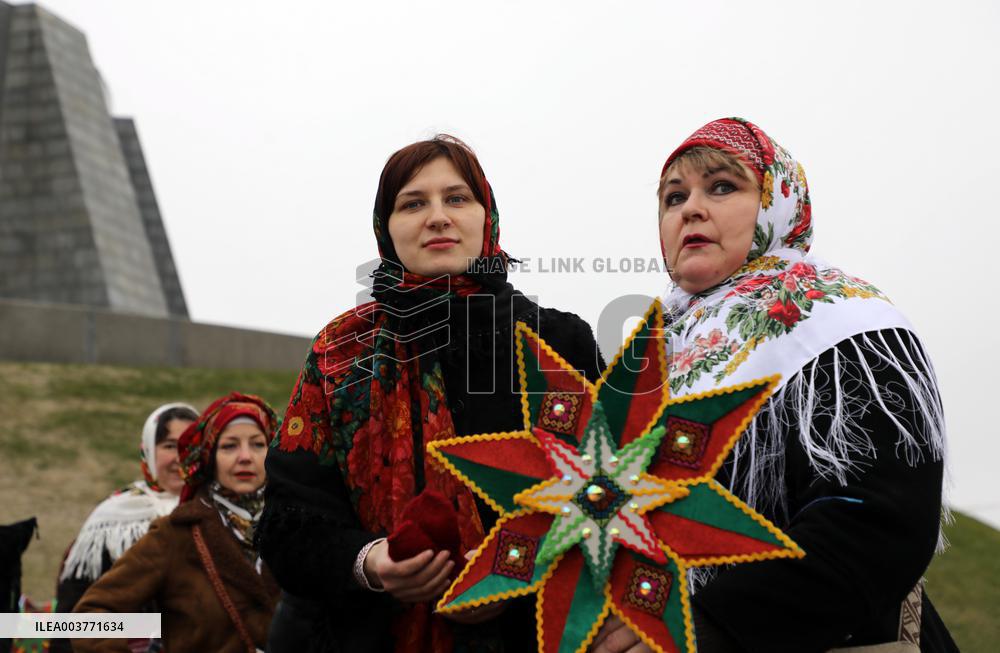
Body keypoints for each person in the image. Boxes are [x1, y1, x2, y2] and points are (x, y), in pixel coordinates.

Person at [590, 118, 957, 653]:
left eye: (722, 187)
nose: (690, 208)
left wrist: (710, 627)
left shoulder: (840, 321)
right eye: (674, 197)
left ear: (777, 202)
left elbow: (878, 524)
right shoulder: (648, 355)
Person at [258, 135, 605, 652]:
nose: (437, 216)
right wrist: (370, 562)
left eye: (457, 198)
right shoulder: (341, 354)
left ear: (487, 216)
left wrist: (509, 574)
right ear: (385, 228)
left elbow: (616, 495)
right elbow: (287, 526)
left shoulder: (557, 342)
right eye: (413, 202)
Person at [72, 393, 281, 653]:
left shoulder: (296, 529)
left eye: (258, 444)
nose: (245, 456)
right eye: (229, 446)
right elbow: (86, 621)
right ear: (209, 457)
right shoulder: (176, 534)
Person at [52, 403, 197, 653]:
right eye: (169, 446)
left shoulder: (225, 515)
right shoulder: (111, 523)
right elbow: (73, 621)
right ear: (149, 451)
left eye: (189, 446)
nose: (179, 457)